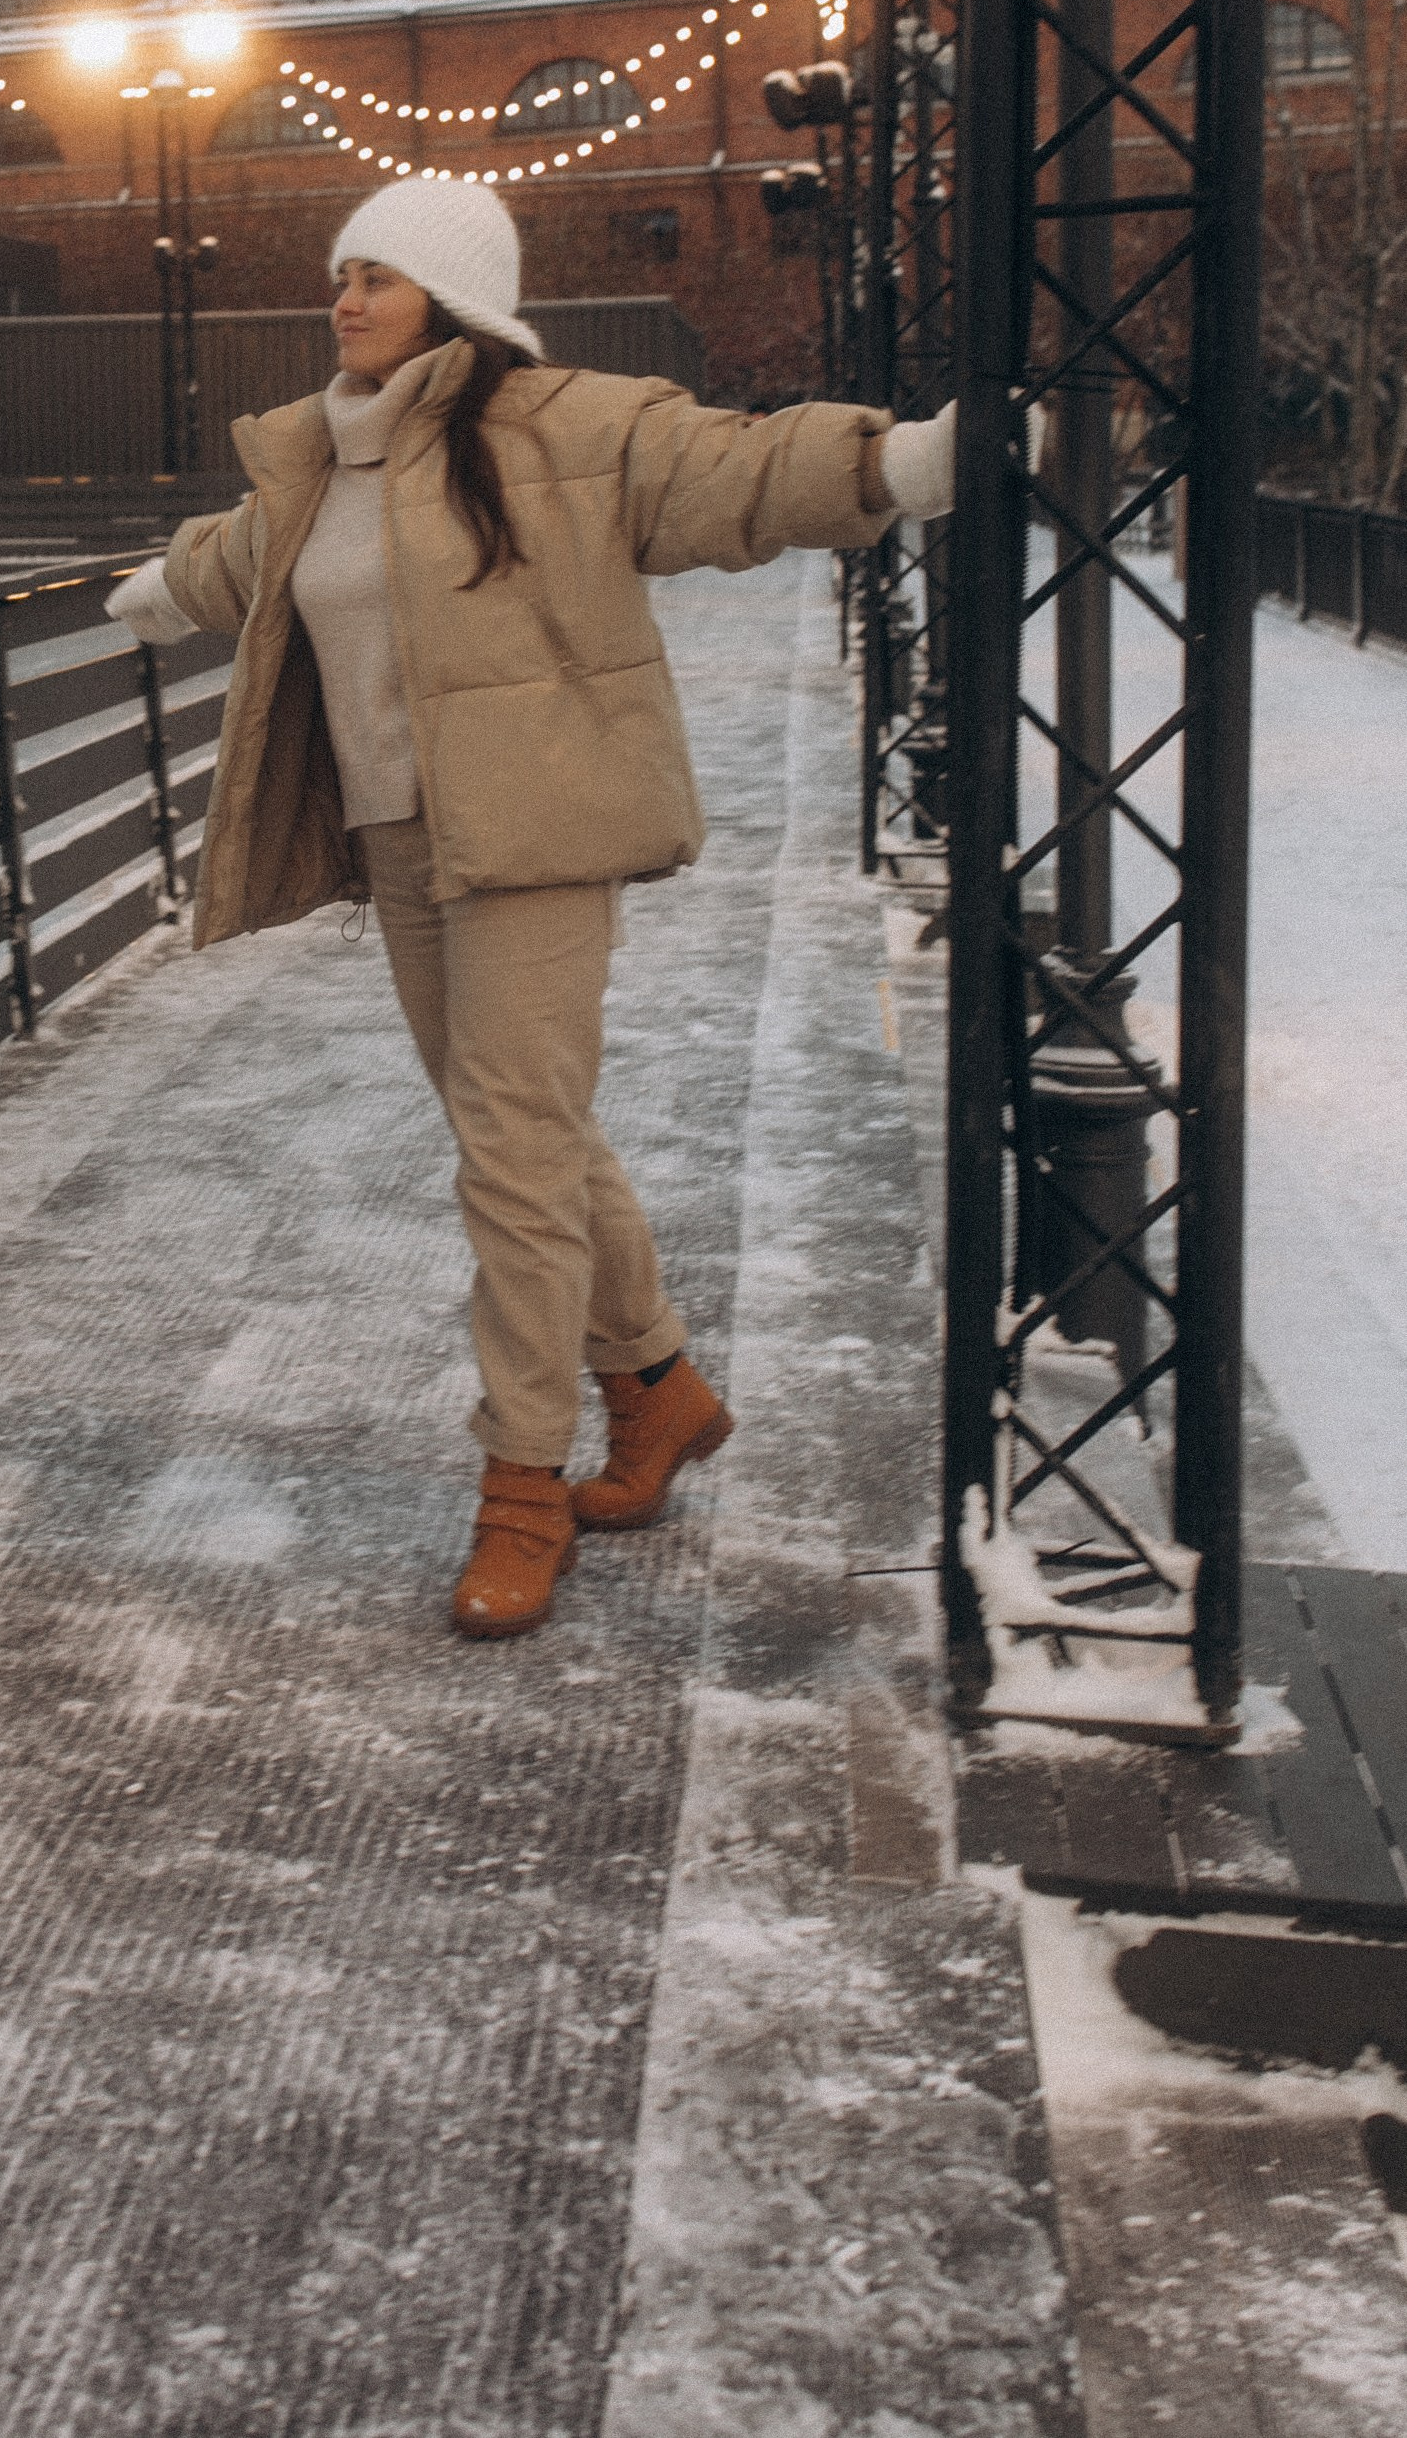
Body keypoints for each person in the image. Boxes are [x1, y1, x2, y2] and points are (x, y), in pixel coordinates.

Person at [105, 175, 957, 1643]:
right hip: (401, 839)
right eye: (342, 273)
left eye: (376, 275)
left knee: (511, 1154)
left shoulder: (567, 427)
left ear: (453, 296)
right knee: (524, 1134)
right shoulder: (324, 451)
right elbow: (252, 555)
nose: (344, 298)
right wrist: (165, 588)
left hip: (536, 833)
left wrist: (903, 461)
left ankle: (521, 1482)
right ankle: (659, 1388)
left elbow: (737, 470)